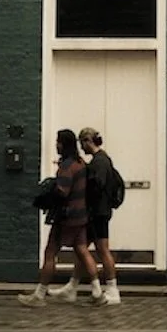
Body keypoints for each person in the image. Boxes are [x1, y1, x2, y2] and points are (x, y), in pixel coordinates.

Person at [20, 129, 103, 307]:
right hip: (81, 216)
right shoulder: (80, 163)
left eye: (58, 142)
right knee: (82, 250)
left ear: (64, 144)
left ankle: (39, 295)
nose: (56, 145)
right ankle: (97, 292)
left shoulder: (67, 166)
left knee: (50, 252)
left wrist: (47, 194)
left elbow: (62, 192)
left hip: (66, 218)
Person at [48, 127, 121, 306]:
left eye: (83, 143)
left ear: (89, 141)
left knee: (102, 249)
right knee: (82, 250)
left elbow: (96, 187)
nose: (81, 147)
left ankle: (112, 290)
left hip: (98, 213)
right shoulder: (99, 161)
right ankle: (72, 286)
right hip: (97, 212)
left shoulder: (100, 162)